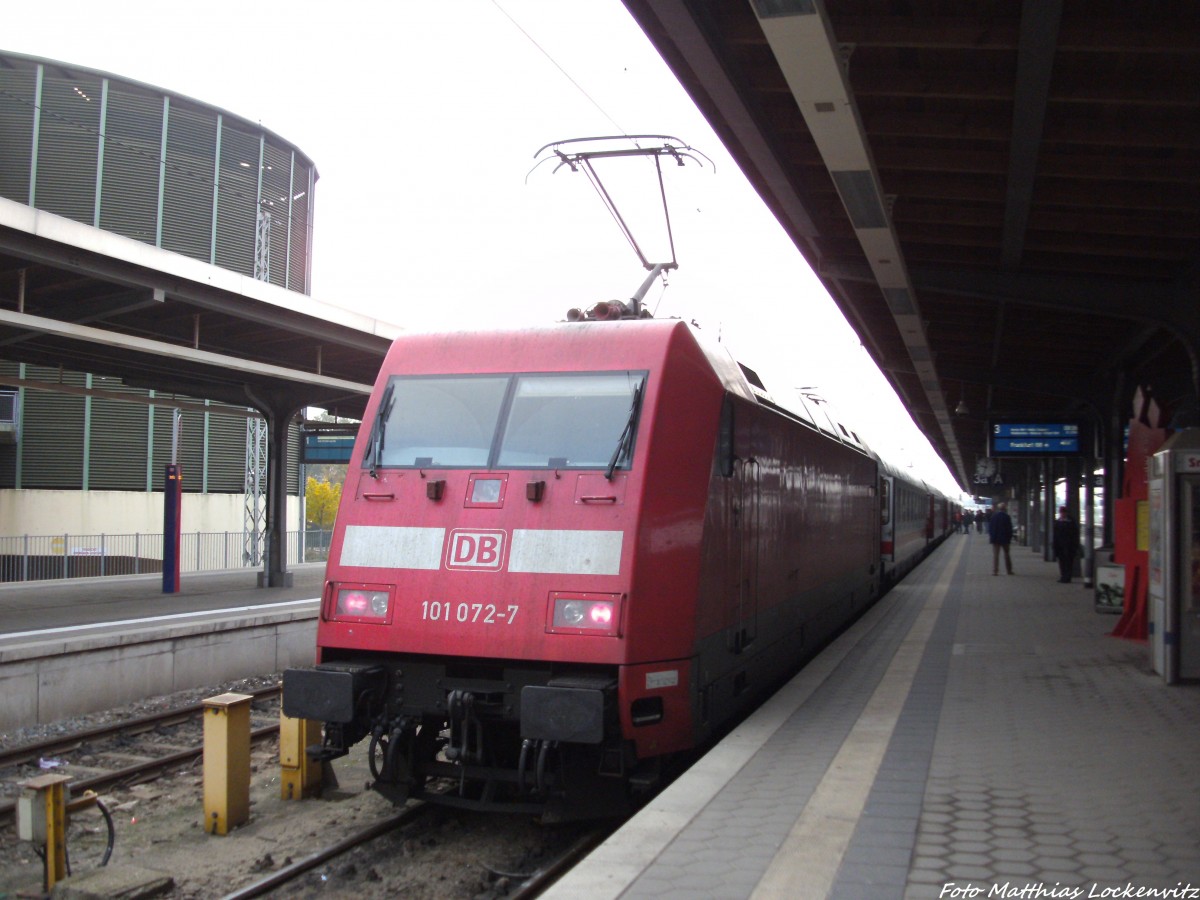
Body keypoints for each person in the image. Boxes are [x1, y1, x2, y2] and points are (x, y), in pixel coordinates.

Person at [1052, 506, 1080, 583]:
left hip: (1069, 546)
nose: (1062, 514)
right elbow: (1055, 535)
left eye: (1063, 512)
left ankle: (1067, 577)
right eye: (1061, 512)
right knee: (1062, 562)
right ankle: (1063, 576)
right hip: (1060, 546)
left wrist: (1075, 546)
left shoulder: (1070, 522)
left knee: (1068, 562)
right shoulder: (1058, 522)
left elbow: (1075, 535)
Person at [989, 502, 1014, 575]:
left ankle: (995, 571)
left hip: (996, 539)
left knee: (996, 555)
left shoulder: (994, 516)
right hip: (1005, 539)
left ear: (998, 508)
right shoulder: (1007, 517)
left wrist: (992, 537)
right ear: (1005, 509)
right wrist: (1009, 538)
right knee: (1007, 555)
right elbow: (1009, 529)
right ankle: (1009, 570)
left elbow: (991, 528)